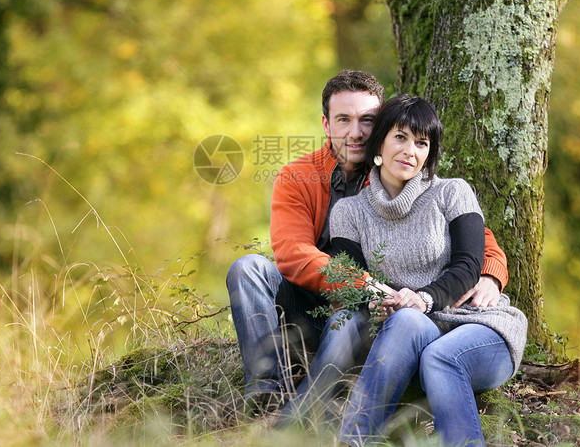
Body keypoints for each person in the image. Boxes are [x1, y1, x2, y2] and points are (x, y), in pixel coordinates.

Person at [225, 70, 510, 413]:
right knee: (247, 268)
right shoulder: (296, 176)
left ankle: (315, 407)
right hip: (309, 309)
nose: (356, 132)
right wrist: (366, 285)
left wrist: (492, 273)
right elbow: (292, 253)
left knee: (350, 318)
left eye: (367, 120)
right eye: (343, 119)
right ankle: (267, 395)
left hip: (362, 319)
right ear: (326, 124)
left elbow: (469, 232)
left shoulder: (396, 175)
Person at [313, 95, 528, 446]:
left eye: (421, 143)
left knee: (440, 357)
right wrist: (375, 301)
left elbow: (469, 265)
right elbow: (353, 280)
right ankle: (353, 440)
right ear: (379, 142)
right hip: (406, 332)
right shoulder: (349, 214)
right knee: (410, 323)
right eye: (400, 137)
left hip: (478, 324)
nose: (410, 150)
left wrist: (424, 298)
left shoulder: (452, 193)